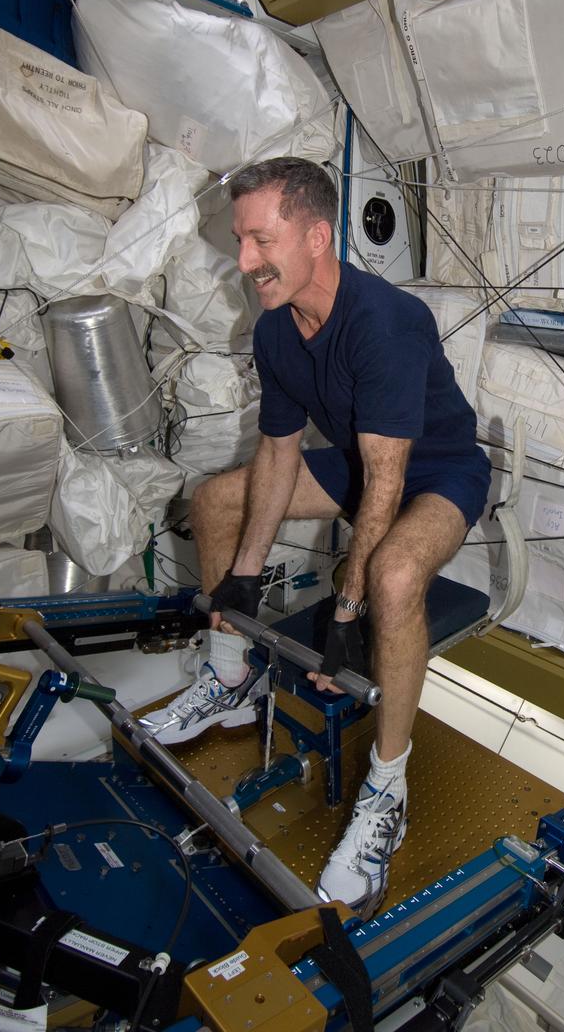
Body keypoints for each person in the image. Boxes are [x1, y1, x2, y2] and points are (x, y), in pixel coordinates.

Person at [140, 157, 490, 917]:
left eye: (260, 240)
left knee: (394, 578)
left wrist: (346, 613)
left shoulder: (386, 323)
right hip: (362, 467)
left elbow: (388, 481)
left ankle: (387, 790)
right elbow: (276, 450)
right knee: (214, 501)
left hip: (436, 474)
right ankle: (229, 678)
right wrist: (241, 576)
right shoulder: (276, 330)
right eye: (240, 242)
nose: (244, 262)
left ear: (318, 235)